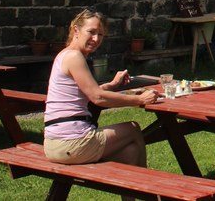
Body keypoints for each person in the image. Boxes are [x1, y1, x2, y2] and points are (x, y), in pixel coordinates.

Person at [43, 9, 158, 170]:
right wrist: (140, 99)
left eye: (101, 34)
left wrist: (112, 85)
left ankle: (133, 193)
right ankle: (149, 190)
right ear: (76, 30)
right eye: (91, 32)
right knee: (133, 128)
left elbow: (85, 92)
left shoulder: (65, 55)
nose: (96, 39)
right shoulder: (74, 57)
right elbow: (97, 98)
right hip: (72, 143)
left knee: (130, 152)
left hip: (54, 144)